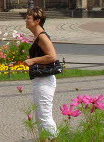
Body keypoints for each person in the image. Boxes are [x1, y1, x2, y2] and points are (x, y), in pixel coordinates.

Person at [23, 7, 58, 138]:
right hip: (40, 79)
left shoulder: (42, 37)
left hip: (45, 80)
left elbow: (52, 56)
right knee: (40, 116)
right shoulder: (37, 36)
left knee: (44, 116)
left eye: (28, 18)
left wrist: (33, 61)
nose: (26, 20)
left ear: (37, 21)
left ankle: (54, 139)